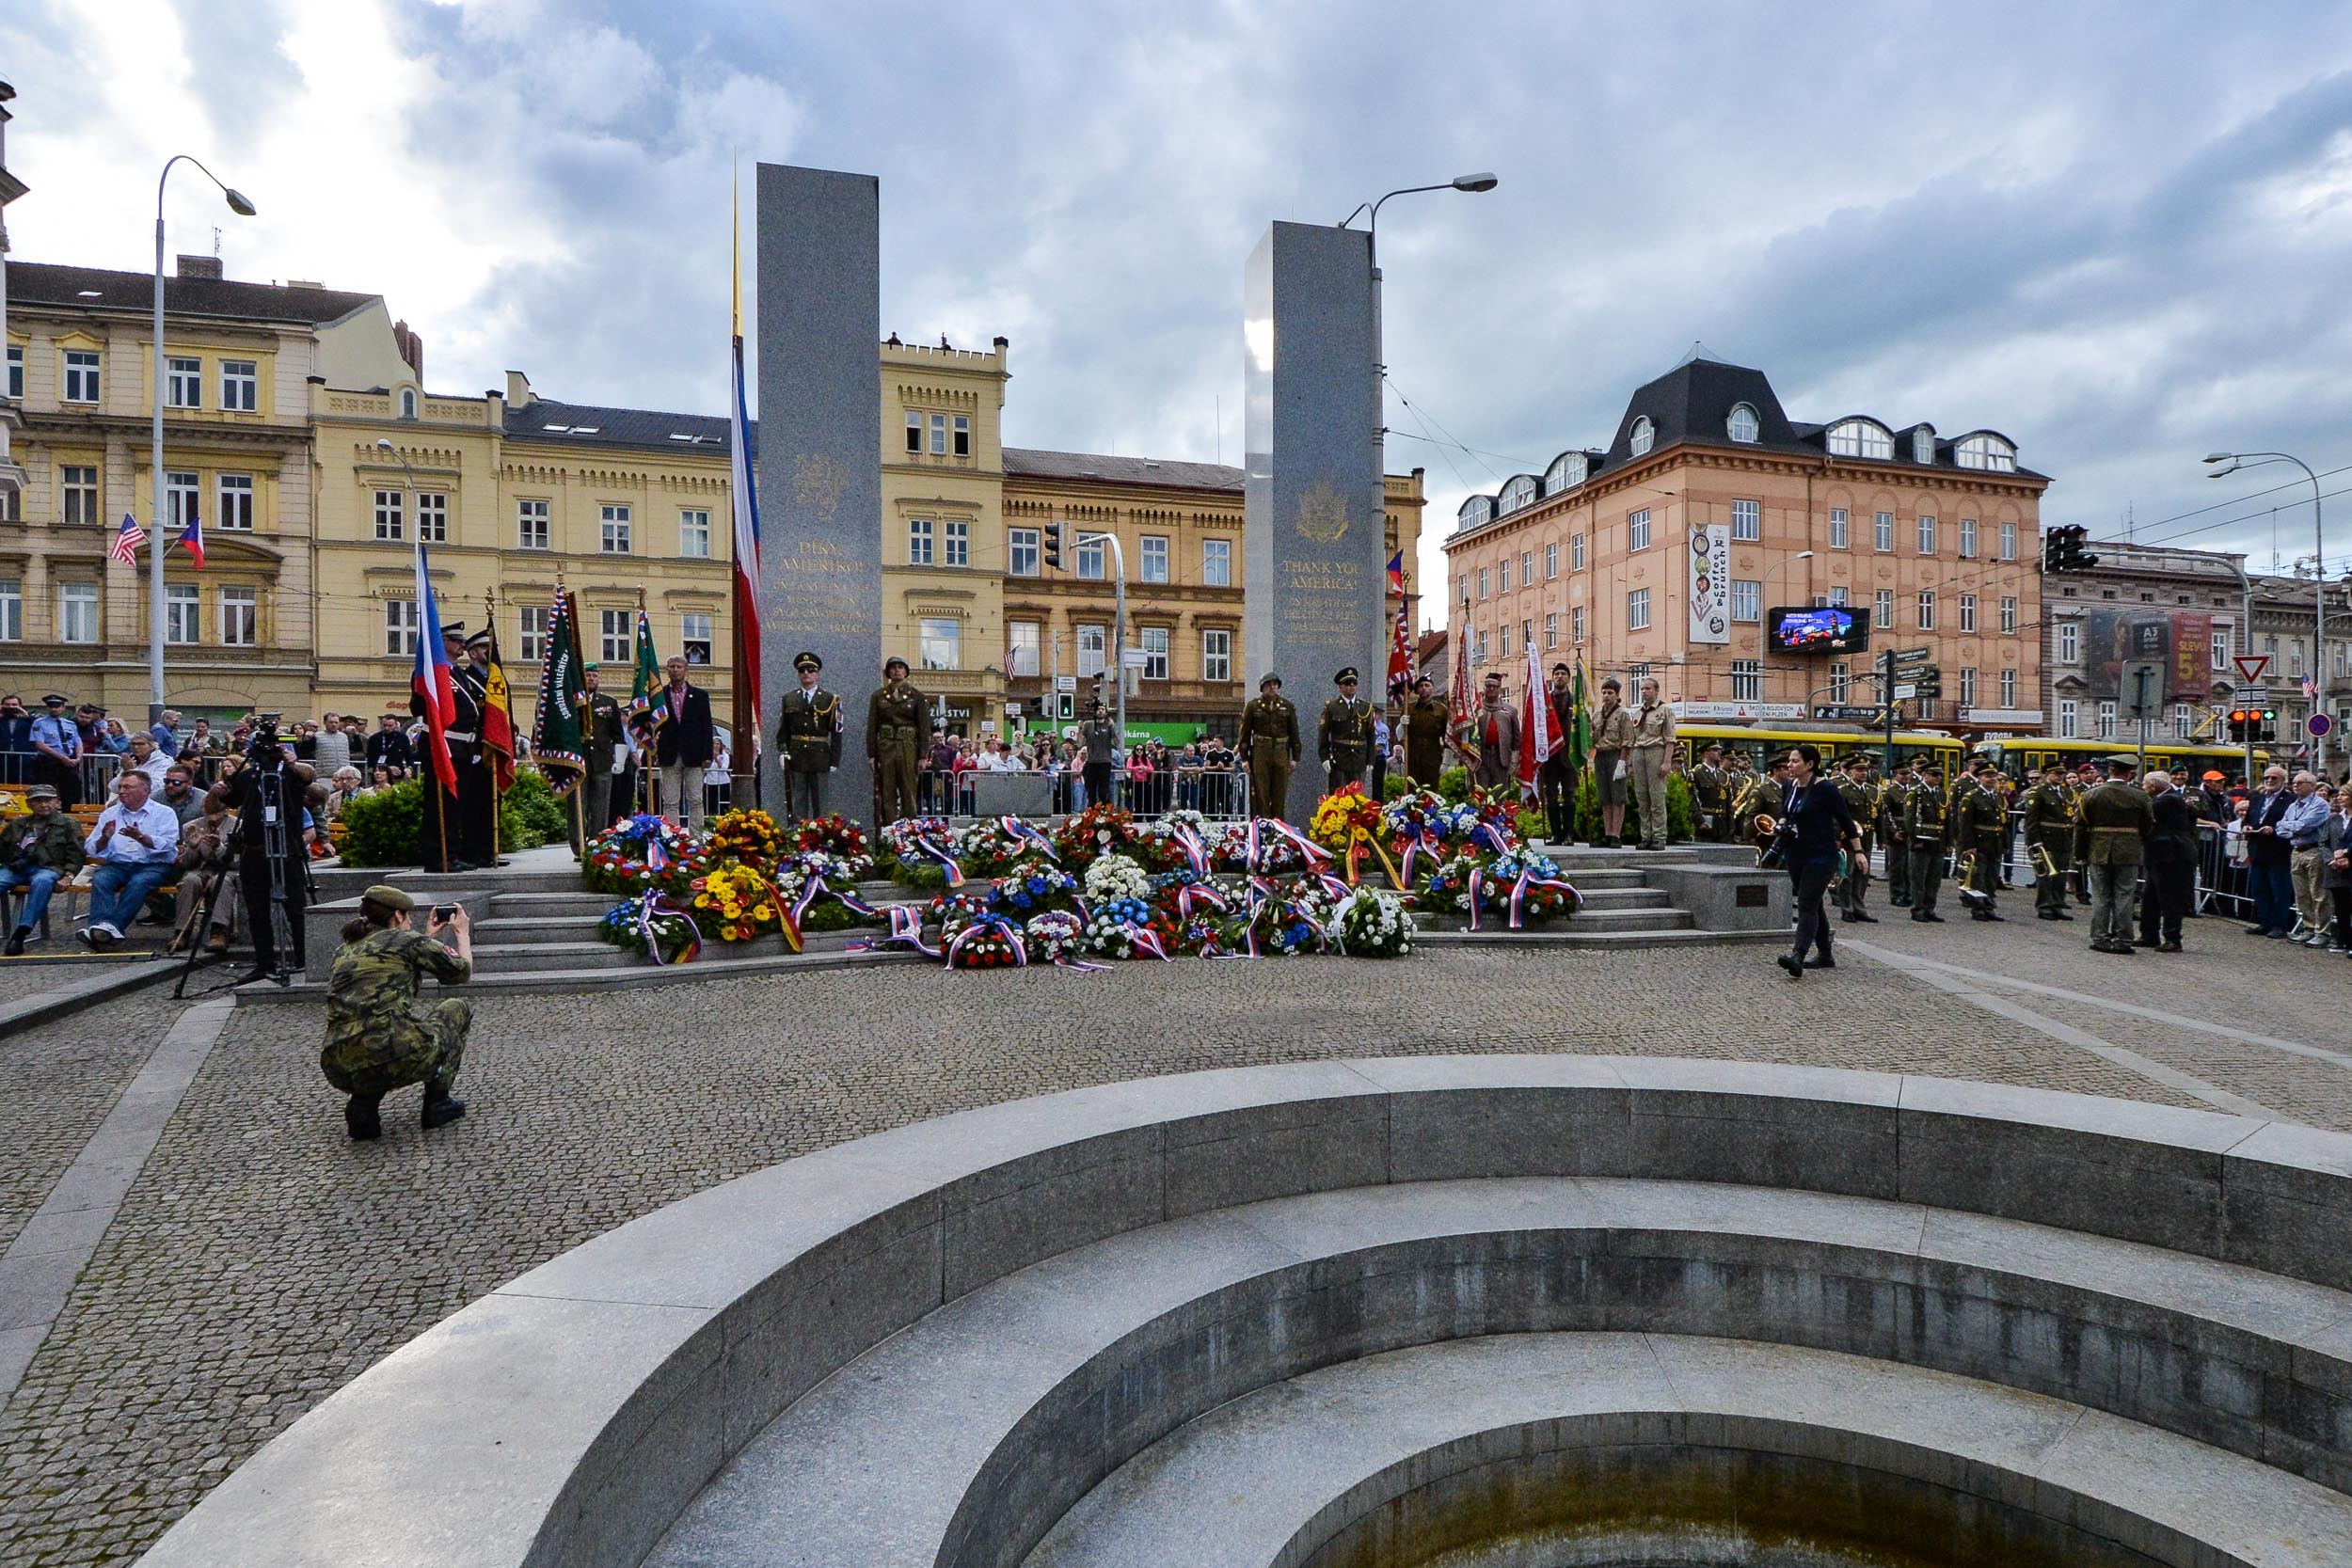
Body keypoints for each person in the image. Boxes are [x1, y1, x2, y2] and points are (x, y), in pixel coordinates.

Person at [320, 884, 473, 1141]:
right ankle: (438, 1102)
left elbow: (390, 970)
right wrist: (463, 934)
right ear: (398, 915)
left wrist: (427, 938)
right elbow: (462, 972)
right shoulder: (408, 941)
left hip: (338, 1061)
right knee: (457, 1008)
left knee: (372, 1037)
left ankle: (364, 1105)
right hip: (393, 1051)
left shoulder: (345, 949)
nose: (410, 922)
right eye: (408, 915)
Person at [219, 728, 316, 981]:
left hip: (287, 849)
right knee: (257, 911)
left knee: (296, 908)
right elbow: (228, 800)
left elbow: (309, 775)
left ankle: (304, 959)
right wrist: (221, 789)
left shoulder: (290, 774)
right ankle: (265, 962)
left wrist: (291, 762)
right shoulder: (247, 777)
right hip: (254, 851)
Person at [1775, 744, 1862, 981]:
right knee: (1813, 904)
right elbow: (1786, 813)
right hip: (1795, 853)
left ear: (1810, 764)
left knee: (1806, 903)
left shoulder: (1826, 789)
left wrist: (1859, 851)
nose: (1790, 765)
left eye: (1795, 761)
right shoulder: (1789, 786)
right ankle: (1825, 954)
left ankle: (1798, 955)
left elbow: (1846, 821)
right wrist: (1780, 824)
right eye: (1790, 761)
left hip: (1821, 855)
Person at [81, 767, 180, 947]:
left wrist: (141, 837)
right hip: (118, 864)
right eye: (120, 787)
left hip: (153, 866)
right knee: (101, 878)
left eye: (127, 787)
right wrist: (104, 838)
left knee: (139, 882)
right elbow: (92, 848)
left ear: (145, 790)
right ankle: (101, 926)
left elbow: (167, 845)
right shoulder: (110, 813)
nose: (121, 791)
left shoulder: (164, 813)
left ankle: (110, 928)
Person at [2074, 754, 2153, 955]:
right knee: (2125, 896)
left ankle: (2100, 937)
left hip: (2098, 850)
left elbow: (2080, 826)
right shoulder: (2140, 796)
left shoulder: (2091, 795)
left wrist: (2080, 854)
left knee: (2101, 896)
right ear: (2130, 772)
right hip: (2128, 852)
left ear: (2110, 770)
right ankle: (2123, 939)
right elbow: (2147, 825)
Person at [1, 784, 87, 955]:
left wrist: (68, 876)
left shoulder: (68, 824)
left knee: (42, 881)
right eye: (38, 801)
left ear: (56, 802)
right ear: (29, 804)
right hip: (16, 867)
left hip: (49, 867)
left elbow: (77, 854)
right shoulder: (17, 824)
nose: (43, 805)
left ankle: (21, 932)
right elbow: (2, 850)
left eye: (48, 800)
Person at [167, 785, 239, 957]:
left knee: (220, 882)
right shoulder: (192, 826)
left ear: (225, 811)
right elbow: (187, 864)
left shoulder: (237, 826)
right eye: (209, 814)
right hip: (200, 869)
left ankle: (219, 931)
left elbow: (236, 862)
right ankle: (181, 931)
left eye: (217, 814)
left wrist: (219, 848)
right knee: (189, 881)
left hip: (227, 870)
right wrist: (193, 847)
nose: (212, 819)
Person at [649, 654, 716, 832]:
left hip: (694, 755)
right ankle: (672, 837)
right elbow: (653, 724)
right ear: (667, 670)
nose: (675, 670)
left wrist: (708, 754)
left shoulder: (700, 695)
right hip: (668, 754)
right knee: (670, 801)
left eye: (679, 666)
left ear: (686, 670)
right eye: (672, 667)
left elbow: (707, 726)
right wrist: (654, 750)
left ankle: (696, 838)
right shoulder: (659, 696)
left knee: (696, 800)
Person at [776, 652, 842, 823]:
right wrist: (783, 751)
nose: (806, 673)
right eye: (802, 670)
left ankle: (821, 834)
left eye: (811, 670)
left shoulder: (830, 699)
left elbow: (836, 732)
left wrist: (835, 760)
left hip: (820, 756)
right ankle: (798, 835)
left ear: (818, 674)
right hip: (797, 755)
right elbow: (783, 730)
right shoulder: (789, 698)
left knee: (820, 802)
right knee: (798, 801)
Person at [2137, 767, 2197, 953]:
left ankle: (2172, 938)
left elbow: (2143, 814)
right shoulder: (2168, 798)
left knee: (2170, 898)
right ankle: (2149, 934)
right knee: (2151, 897)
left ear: (2153, 786)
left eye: (2145, 784)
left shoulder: (2167, 800)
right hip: (2159, 855)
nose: (2143, 788)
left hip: (2172, 856)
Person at [866, 657, 928, 826]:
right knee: (887, 789)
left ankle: (908, 827)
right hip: (886, 747)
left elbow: (924, 728)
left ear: (906, 672)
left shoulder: (917, 696)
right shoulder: (879, 696)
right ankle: (889, 827)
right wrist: (872, 754)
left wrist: (923, 755)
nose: (897, 671)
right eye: (893, 668)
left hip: (908, 747)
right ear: (888, 673)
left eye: (900, 667)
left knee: (908, 788)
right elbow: (872, 726)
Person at [2240, 766, 2296, 938]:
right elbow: (2247, 819)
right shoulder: (2256, 798)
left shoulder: (2290, 800)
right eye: (2267, 778)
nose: (2270, 781)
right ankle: (2265, 922)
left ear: (2283, 781)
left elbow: (2291, 822)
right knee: (2260, 888)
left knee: (2279, 890)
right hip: (2257, 849)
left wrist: (2274, 829)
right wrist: (2246, 827)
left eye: (2274, 778)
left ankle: (2280, 925)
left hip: (2278, 850)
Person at [2020, 761, 2077, 922]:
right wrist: (2035, 841)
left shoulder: (2067, 792)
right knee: (2045, 875)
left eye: (2062, 774)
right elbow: (2031, 820)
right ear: (2047, 775)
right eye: (2056, 773)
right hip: (2046, 838)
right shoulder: (2038, 792)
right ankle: (2044, 906)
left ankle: (2058, 905)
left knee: (2060, 875)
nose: (2060, 777)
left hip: (2063, 838)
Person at [2281, 770, 2333, 944]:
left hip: (2314, 850)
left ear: (2312, 786)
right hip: (2297, 850)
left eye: (2300, 782)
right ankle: (2308, 928)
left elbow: (2305, 826)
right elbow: (2280, 828)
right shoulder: (2293, 806)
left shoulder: (2320, 805)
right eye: (2294, 782)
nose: (2295, 785)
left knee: (2319, 893)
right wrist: (2292, 827)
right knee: (2302, 894)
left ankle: (2322, 932)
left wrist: (2289, 826)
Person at [1241, 673, 1300, 822]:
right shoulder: (1253, 706)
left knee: (1280, 793)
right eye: (1268, 685)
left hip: (1281, 752)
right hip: (1261, 752)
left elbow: (1294, 732)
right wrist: (1244, 759)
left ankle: (1278, 826)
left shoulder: (1287, 706)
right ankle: (1263, 825)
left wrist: (1295, 757)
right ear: (1262, 688)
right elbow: (1245, 733)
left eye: (1275, 684)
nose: (1272, 687)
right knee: (1261, 792)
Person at [1953, 757, 2009, 920]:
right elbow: (1965, 823)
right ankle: (1978, 908)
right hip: (1979, 841)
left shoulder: (1998, 796)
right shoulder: (1972, 797)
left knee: (1992, 877)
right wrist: (1969, 845)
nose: (1992, 779)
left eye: (1994, 775)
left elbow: (2003, 821)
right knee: (1978, 878)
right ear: (1980, 778)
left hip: (1995, 842)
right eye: (1987, 776)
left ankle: (1989, 907)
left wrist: (2005, 843)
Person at [1627, 677, 1676, 850]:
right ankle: (1645, 836)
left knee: (1657, 798)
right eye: (1642, 689)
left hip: (1656, 751)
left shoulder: (1665, 711)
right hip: (1639, 753)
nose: (1644, 692)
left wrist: (1667, 762)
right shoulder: (1637, 713)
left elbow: (1670, 739)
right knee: (1642, 798)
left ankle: (1659, 837)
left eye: (1648, 688)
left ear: (1656, 690)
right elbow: (1632, 740)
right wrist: (1630, 764)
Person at [1536, 666, 1583, 844]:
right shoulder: (1545, 701)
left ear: (1569, 678)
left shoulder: (1575, 701)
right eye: (1556, 674)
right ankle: (1556, 834)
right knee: (1550, 794)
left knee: (1569, 794)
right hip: (1550, 756)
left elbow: (1583, 727)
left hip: (1569, 755)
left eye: (1563, 674)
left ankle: (1569, 834)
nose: (1559, 676)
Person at [1899, 757, 1948, 922]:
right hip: (1922, 841)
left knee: (1934, 880)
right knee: (1918, 878)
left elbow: (1947, 818)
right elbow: (1910, 819)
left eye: (1940, 775)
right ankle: (1918, 909)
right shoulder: (1915, 793)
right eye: (1935, 774)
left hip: (1938, 841)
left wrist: (1948, 841)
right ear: (1925, 775)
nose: (1938, 778)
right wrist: (1915, 839)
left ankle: (1929, 908)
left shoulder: (1941, 793)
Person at [1317, 669, 1375, 796]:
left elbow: (1371, 736)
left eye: (1354, 683)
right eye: (1348, 683)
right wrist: (1324, 757)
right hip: (1339, 759)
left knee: (1358, 798)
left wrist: (1371, 760)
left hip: (1359, 760)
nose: (1352, 686)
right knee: (1339, 797)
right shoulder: (1332, 707)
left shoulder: (1366, 707)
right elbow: (1323, 735)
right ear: (1341, 686)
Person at [1833, 755, 1878, 921]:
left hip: (1866, 837)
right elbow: (1837, 816)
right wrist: (1836, 837)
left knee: (1863, 875)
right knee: (1847, 874)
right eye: (1859, 770)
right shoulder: (1843, 790)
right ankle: (1847, 908)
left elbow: (1878, 816)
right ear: (1850, 772)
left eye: (1865, 770)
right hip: (1848, 838)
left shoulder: (1873, 791)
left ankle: (1859, 907)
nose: (1863, 773)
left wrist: (1882, 838)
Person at [1588, 678, 1632, 847]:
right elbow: (1593, 737)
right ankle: (1607, 833)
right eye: (1604, 693)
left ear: (1617, 695)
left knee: (1617, 797)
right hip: (1600, 755)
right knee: (1605, 797)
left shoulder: (1622, 715)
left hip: (1616, 755)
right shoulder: (1597, 715)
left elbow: (1627, 739)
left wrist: (1623, 761)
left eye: (1610, 693)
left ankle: (1616, 834)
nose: (1606, 696)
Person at [30, 693, 84, 809]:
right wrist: (61, 757)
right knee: (46, 791)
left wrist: (78, 758)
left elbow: (77, 742)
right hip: (48, 761)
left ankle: (69, 813)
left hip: (69, 761)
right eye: (51, 706)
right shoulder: (39, 723)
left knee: (72, 790)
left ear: (63, 708)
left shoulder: (70, 724)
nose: (54, 709)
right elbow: (39, 744)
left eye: (57, 706)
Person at [1402, 675, 1448, 788]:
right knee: (1412, 788)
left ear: (1432, 688)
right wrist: (1401, 724)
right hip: (1413, 755)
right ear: (1417, 690)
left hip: (1432, 754)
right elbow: (1401, 734)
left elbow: (1446, 736)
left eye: (1427, 685)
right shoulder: (1408, 709)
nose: (1424, 688)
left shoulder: (1441, 710)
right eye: (1421, 686)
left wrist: (1446, 760)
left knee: (1431, 789)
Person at [2323, 785, 2351, 956]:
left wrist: (2347, 856)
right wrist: (2331, 859)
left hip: (2349, 866)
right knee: (2341, 906)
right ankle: (2344, 940)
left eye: (2344, 795)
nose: (2339, 798)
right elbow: (2323, 842)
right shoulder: (2333, 819)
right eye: (2339, 795)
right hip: (2335, 869)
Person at [1686, 740, 1729, 846]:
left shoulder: (1723, 775)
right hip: (1706, 819)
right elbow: (1691, 799)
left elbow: (1728, 801)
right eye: (1715, 750)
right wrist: (1699, 820)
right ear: (1706, 754)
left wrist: (1731, 823)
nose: (1719, 752)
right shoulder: (1696, 773)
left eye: (1719, 750)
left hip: (1722, 822)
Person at [1079, 702, 1118, 812]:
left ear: (1106, 712)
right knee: (1091, 790)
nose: (1100, 711)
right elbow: (1080, 743)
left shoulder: (1108, 724)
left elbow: (1117, 743)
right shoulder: (1088, 724)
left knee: (1103, 790)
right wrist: (1080, 729)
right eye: (1098, 709)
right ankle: (1091, 812)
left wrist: (1112, 728)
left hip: (1105, 761)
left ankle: (1104, 811)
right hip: (1091, 761)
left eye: (1102, 709)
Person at [365, 711, 415, 780]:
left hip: (398, 773)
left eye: (390, 726)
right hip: (379, 774)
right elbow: (370, 760)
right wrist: (387, 768)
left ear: (396, 725)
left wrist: (409, 768)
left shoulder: (403, 738)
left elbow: (409, 757)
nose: (387, 728)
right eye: (384, 725)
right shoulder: (374, 738)